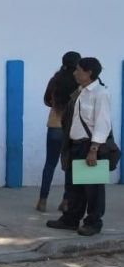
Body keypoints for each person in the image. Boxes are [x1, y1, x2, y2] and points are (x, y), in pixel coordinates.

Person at [47, 57, 113, 237]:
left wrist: (94, 150)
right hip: (74, 145)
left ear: (89, 72)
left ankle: (93, 222)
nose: (75, 73)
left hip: (89, 146)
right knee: (74, 186)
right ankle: (70, 219)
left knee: (93, 189)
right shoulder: (80, 91)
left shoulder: (101, 93)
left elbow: (102, 123)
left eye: (78, 70)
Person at [36, 51, 81, 212]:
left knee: (50, 164)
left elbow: (46, 100)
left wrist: (56, 105)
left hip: (55, 125)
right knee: (70, 166)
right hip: (73, 128)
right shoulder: (79, 82)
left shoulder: (55, 79)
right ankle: (66, 201)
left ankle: (42, 200)